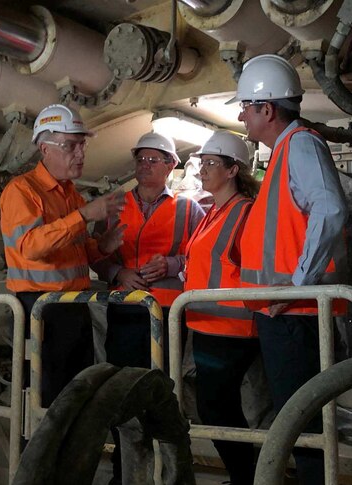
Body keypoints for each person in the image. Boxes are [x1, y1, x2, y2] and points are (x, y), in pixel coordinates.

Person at [232, 54, 349, 485]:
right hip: (284, 315)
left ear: (266, 110)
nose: (242, 116)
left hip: (296, 316)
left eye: (245, 106)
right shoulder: (283, 153)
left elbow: (331, 210)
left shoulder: (300, 144)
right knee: (296, 421)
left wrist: (297, 285)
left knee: (304, 424)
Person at [92, 131, 204, 485]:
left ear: (171, 166)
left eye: (154, 160)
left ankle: (167, 472)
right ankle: (126, 471)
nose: (145, 166)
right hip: (124, 310)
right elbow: (97, 256)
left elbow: (200, 256)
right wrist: (118, 272)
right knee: (119, 389)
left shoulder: (189, 209)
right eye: (140, 159)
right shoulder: (114, 206)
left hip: (168, 313)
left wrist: (172, 265)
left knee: (161, 395)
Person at [0, 103, 125, 407]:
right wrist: (82, 216)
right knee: (45, 398)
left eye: (82, 144)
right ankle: (38, 455)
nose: (80, 153)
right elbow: (30, 247)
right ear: (44, 148)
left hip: (73, 307)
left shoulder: (72, 195)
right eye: (70, 145)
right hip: (39, 309)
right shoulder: (22, 191)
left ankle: (69, 454)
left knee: (75, 393)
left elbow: (75, 251)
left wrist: (102, 246)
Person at [182, 131, 261, 485]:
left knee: (216, 409)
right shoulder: (213, 211)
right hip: (207, 325)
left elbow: (257, 267)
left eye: (211, 163)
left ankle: (248, 477)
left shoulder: (245, 212)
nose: (203, 170)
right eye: (202, 163)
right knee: (217, 408)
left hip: (231, 328)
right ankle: (246, 476)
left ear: (233, 170)